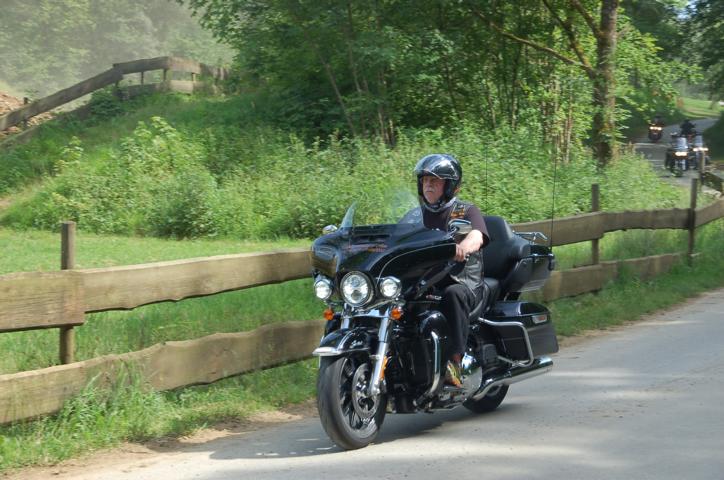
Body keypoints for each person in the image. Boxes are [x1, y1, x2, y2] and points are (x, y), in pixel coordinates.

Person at [413, 154, 489, 387]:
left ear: (450, 186)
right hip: (425, 282)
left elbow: (477, 235)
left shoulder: (466, 211)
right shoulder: (415, 216)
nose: (428, 185)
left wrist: (463, 247)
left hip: (462, 281)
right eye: (425, 180)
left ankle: (455, 361)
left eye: (435, 181)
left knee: (452, 294)